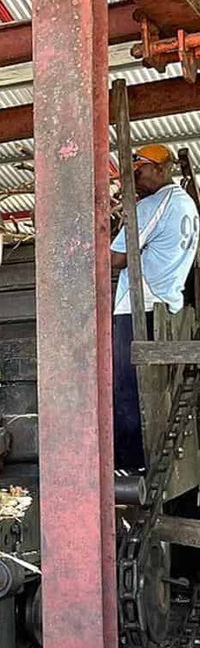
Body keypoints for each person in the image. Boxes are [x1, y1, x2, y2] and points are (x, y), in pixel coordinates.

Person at [111, 143, 200, 468]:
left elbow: (116, 258)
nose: (135, 177)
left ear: (161, 169)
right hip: (168, 309)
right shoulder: (187, 205)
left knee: (128, 392)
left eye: (139, 170)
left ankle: (129, 467)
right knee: (156, 395)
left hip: (140, 310)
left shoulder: (156, 205)